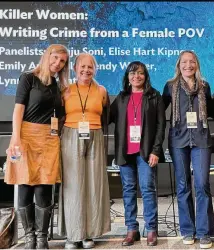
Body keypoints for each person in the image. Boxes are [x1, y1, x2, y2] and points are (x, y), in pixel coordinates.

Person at [4, 44, 70, 249]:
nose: (57, 64)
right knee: (25, 185)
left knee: (44, 187)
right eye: (55, 58)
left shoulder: (59, 87)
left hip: (50, 140)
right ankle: (30, 237)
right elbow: (18, 110)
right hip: (26, 137)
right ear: (47, 56)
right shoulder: (28, 78)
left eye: (62, 62)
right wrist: (15, 138)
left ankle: (42, 237)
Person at [162, 50, 214, 249]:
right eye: (184, 62)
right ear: (179, 65)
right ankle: (187, 230)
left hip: (201, 140)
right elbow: (158, 113)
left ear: (197, 64)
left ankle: (204, 232)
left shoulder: (205, 86)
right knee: (183, 185)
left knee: (202, 184)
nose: (188, 65)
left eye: (192, 61)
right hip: (178, 141)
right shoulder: (170, 87)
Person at [109, 61, 165, 247]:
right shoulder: (122, 97)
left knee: (148, 190)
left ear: (146, 76)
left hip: (146, 152)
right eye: (132, 73)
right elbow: (106, 117)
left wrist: (156, 150)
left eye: (140, 73)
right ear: (127, 77)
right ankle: (131, 229)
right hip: (125, 152)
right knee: (128, 191)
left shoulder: (154, 96)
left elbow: (160, 125)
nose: (136, 77)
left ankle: (151, 229)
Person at [58, 53, 111, 249]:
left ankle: (89, 233)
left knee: (93, 184)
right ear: (75, 69)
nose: (86, 70)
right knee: (73, 185)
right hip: (71, 136)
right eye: (82, 66)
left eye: (90, 67)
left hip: (95, 135)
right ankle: (73, 234)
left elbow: (106, 114)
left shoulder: (102, 91)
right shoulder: (65, 90)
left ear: (95, 69)